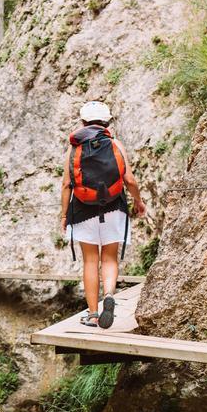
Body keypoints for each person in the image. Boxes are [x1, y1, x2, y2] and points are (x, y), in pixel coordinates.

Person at [58, 101, 146, 329]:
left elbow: (67, 184)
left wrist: (64, 216)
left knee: (90, 260)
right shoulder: (115, 144)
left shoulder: (74, 147)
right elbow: (129, 180)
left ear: (83, 122)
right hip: (113, 207)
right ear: (107, 121)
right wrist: (138, 201)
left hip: (83, 208)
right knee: (109, 257)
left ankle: (94, 314)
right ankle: (109, 294)